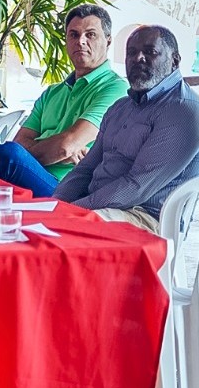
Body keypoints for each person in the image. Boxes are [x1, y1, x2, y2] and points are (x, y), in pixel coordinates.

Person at [0, 5, 128, 196]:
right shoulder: (52, 92)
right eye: (73, 35)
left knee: (9, 156)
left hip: (67, 187)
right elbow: (22, 141)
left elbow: (66, 146)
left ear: (108, 41)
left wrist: (41, 151)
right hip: (30, 175)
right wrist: (56, 152)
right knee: (4, 163)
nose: (81, 42)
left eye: (90, 35)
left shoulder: (115, 88)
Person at [54, 25, 199, 232]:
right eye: (131, 52)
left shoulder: (184, 111)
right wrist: (56, 202)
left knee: (58, 233)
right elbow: (85, 168)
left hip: (146, 219)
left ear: (174, 61)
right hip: (99, 207)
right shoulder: (120, 107)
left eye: (150, 52)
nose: (138, 58)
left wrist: (71, 210)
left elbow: (136, 187)